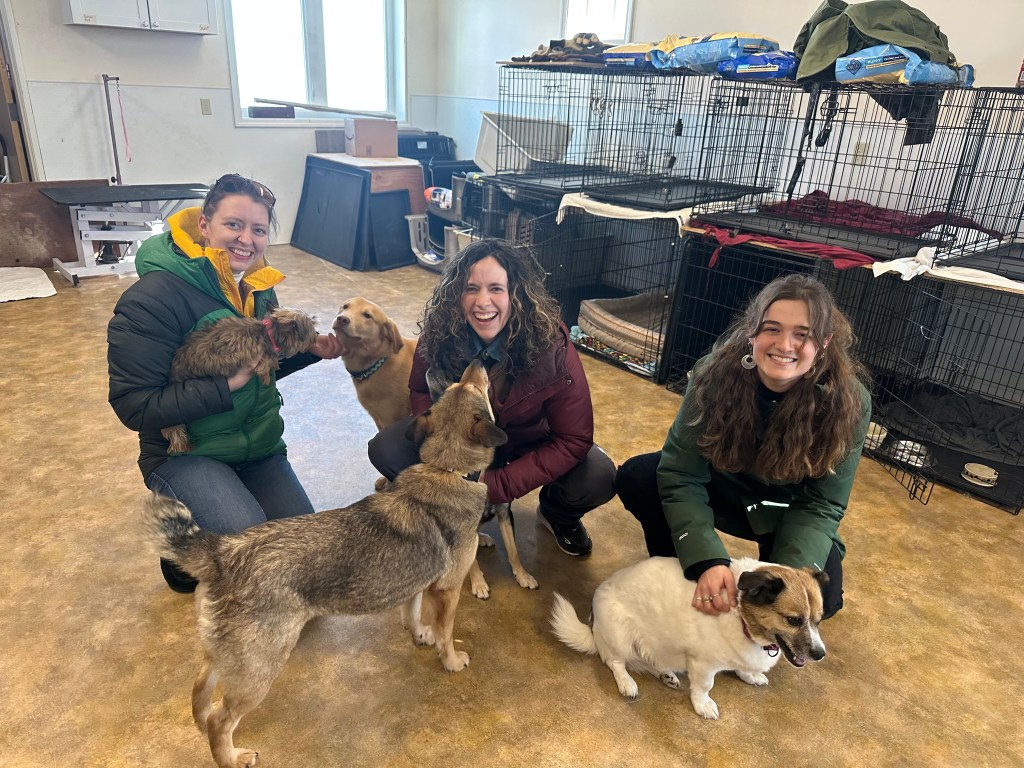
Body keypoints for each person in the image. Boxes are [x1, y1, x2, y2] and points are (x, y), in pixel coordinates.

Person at [107, 173, 343, 592]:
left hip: (258, 448)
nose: (246, 240)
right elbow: (134, 405)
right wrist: (224, 387)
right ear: (204, 225)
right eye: (233, 224)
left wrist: (310, 351)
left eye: (258, 229)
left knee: (306, 554)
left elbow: (260, 366)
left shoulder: (258, 287)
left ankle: (226, 511)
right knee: (250, 556)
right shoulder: (151, 299)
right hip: (186, 454)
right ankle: (182, 547)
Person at [615, 273, 871, 619]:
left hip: (787, 511)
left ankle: (769, 567)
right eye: (772, 329)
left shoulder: (850, 401)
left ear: (824, 341)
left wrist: (787, 576)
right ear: (752, 331)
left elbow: (822, 503)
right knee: (639, 476)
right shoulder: (714, 373)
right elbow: (681, 471)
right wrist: (706, 559)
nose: (784, 345)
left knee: (821, 601)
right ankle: (678, 571)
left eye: (802, 334)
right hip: (723, 489)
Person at [368, 238, 616, 556]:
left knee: (598, 476)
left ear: (517, 294)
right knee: (386, 449)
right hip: (466, 442)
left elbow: (573, 439)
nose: (482, 302)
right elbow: (419, 389)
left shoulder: (552, 346)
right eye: (471, 288)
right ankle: (442, 509)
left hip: (530, 441)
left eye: (496, 289)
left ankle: (557, 514)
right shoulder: (439, 333)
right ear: (456, 294)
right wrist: (442, 442)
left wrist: (495, 486)